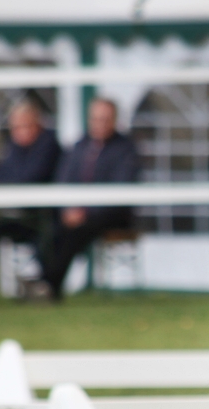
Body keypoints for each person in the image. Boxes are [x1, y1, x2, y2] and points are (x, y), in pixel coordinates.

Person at [39, 97, 139, 299]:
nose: (100, 123)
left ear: (114, 120)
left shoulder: (125, 149)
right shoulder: (79, 146)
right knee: (48, 226)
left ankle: (48, 285)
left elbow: (119, 190)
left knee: (75, 232)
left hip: (111, 214)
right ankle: (45, 281)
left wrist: (85, 212)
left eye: (105, 119)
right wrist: (69, 208)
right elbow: (64, 180)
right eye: (96, 119)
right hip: (76, 212)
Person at [0, 100, 61, 280]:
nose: (20, 131)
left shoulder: (48, 144)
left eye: (25, 125)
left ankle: (48, 284)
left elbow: (29, 177)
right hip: (18, 215)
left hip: (43, 216)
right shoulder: (13, 147)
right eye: (16, 127)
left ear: (37, 124)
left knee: (48, 238)